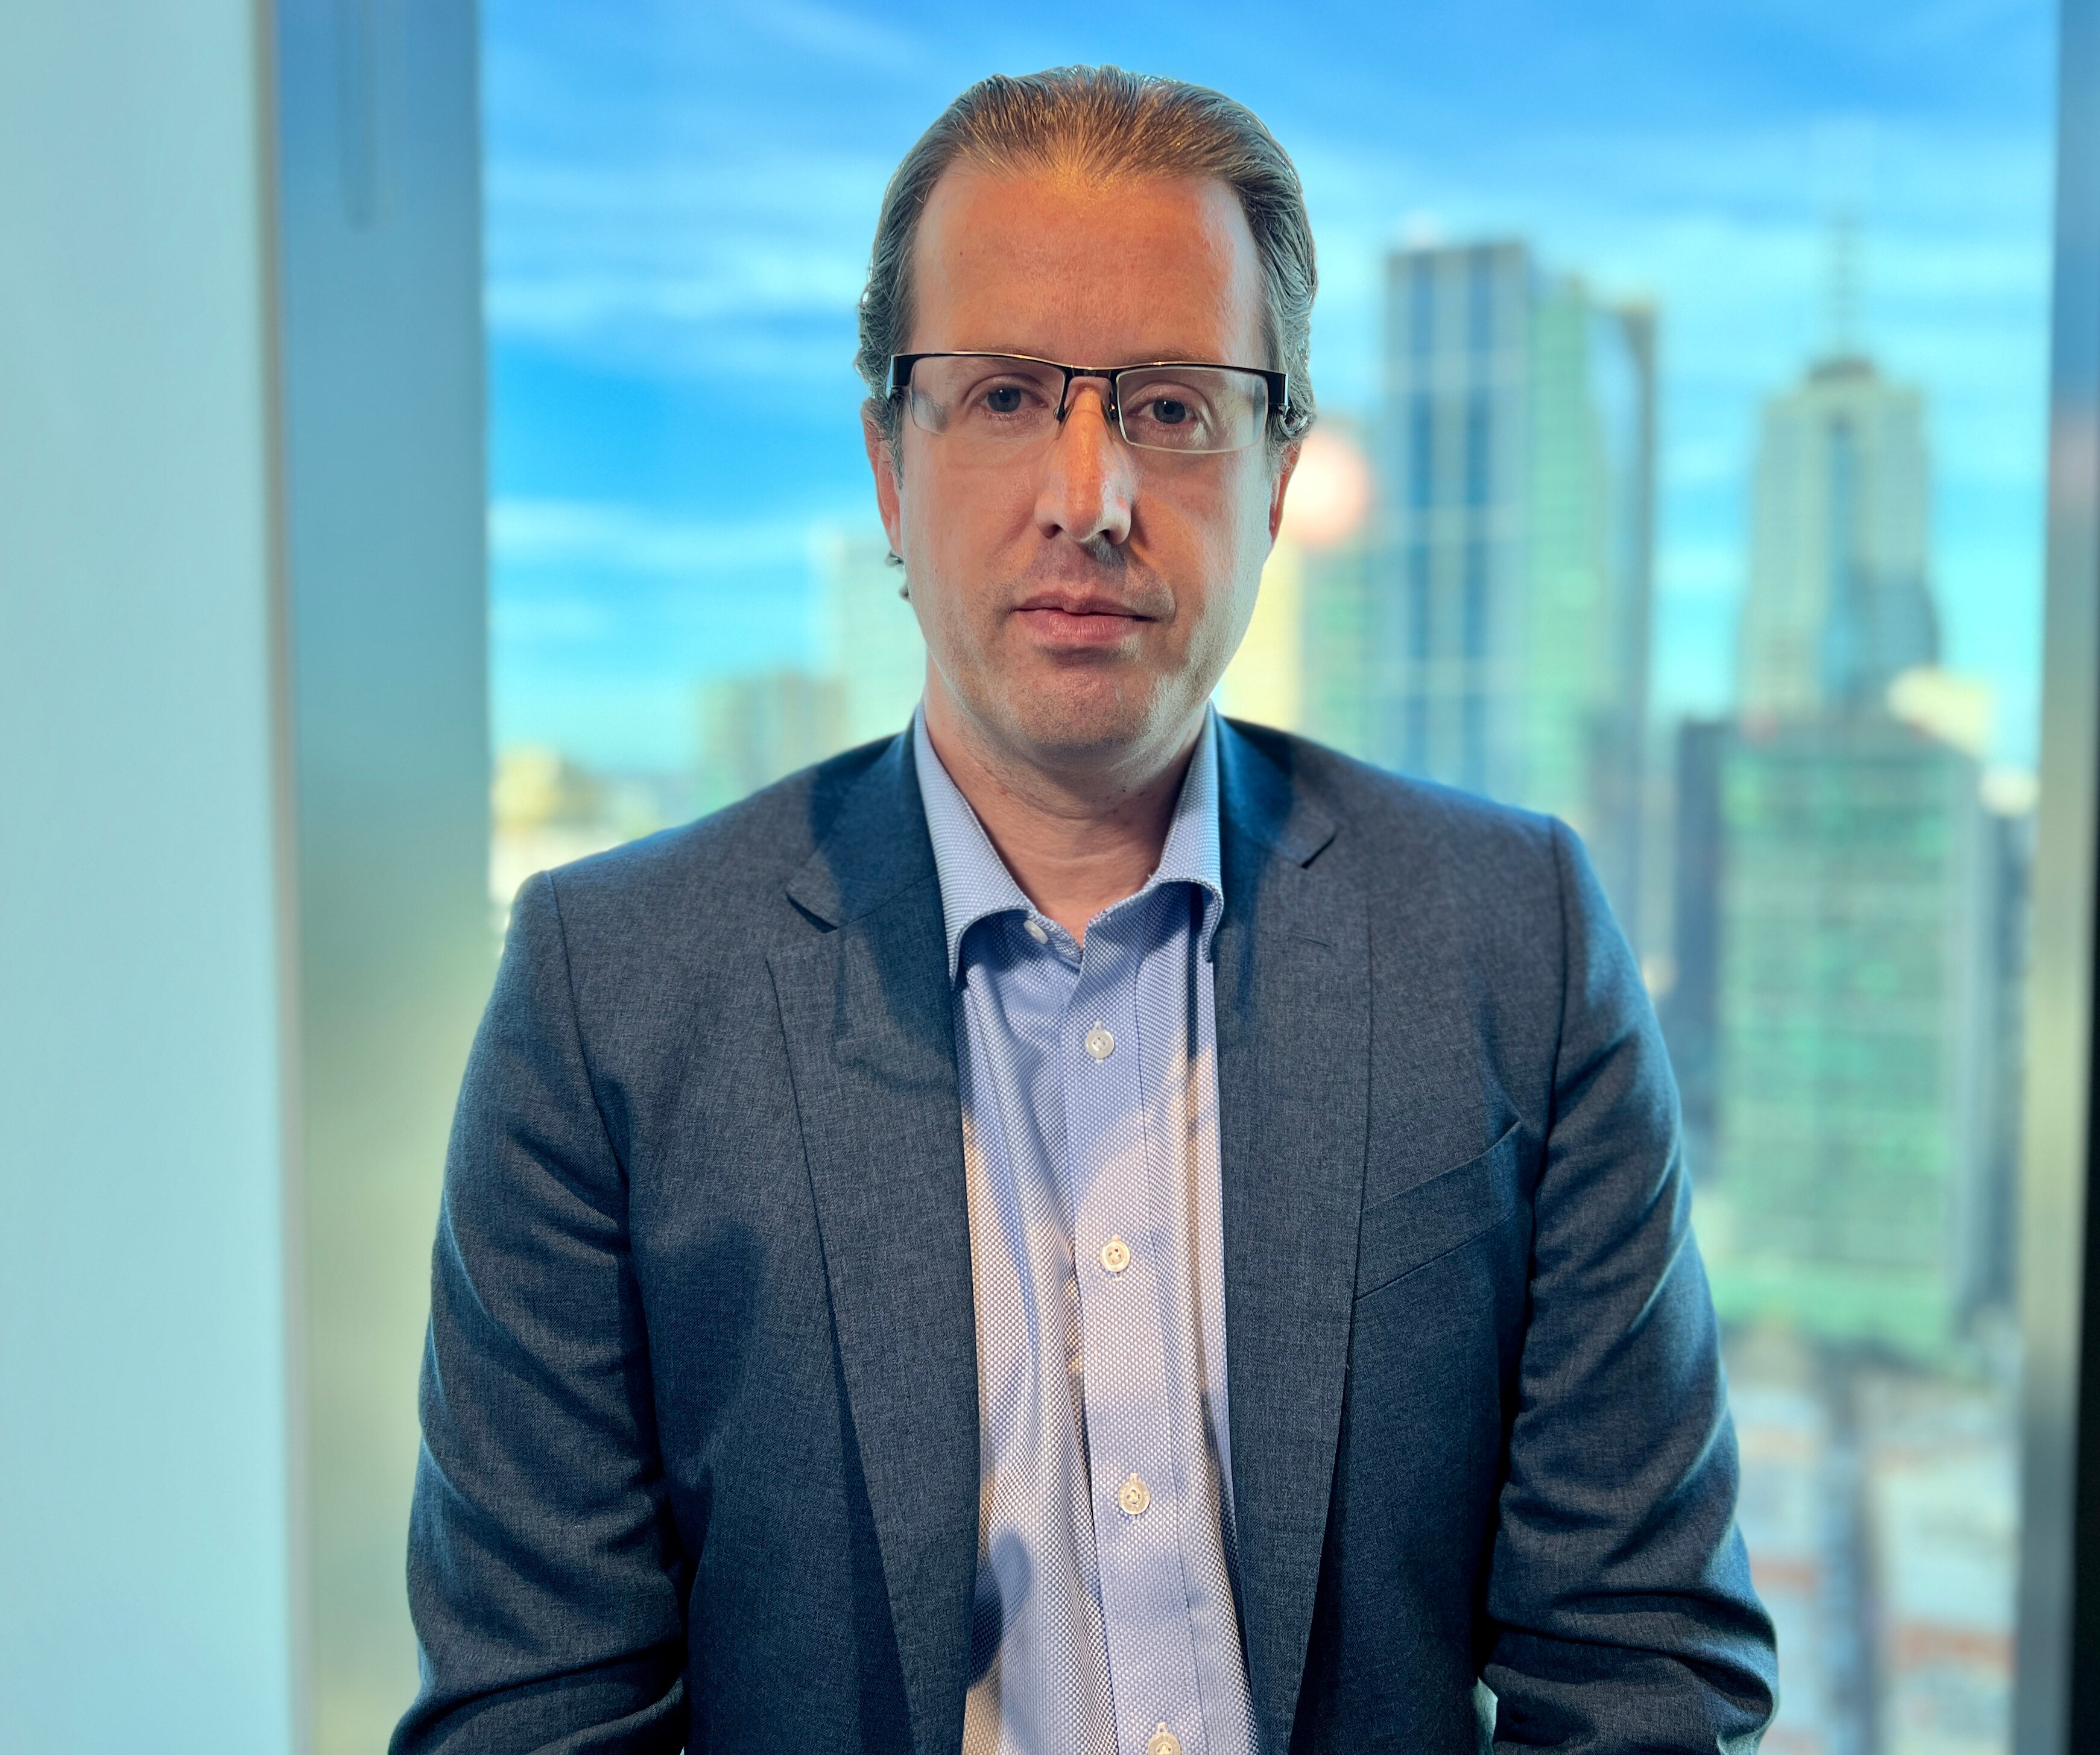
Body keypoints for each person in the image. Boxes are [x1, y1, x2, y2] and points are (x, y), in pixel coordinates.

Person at [394, 65, 1777, 1755]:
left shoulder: (1513, 939)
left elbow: (1642, 1660)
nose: (1089, 493)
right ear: (888, 472)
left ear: (1277, 476)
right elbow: (537, 1716)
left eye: (1174, 408)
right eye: (996, 397)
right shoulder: (608, 997)